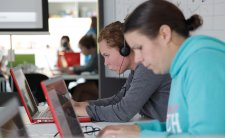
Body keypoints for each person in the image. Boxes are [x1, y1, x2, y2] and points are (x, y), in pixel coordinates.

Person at [98, 0, 225, 137]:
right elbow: (180, 127)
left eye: (140, 48)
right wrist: (139, 129)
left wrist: (141, 136)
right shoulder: (180, 68)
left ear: (164, 34)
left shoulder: (203, 65)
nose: (138, 58)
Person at [71, 21, 171, 122]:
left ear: (124, 49)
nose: (105, 63)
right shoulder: (137, 68)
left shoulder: (148, 66)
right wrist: (82, 105)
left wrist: (82, 110)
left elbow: (123, 112)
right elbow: (119, 99)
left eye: (107, 55)